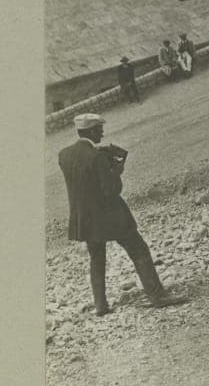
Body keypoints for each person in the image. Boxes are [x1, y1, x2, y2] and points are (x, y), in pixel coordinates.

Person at [58, 113, 188, 316]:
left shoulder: (64, 155)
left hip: (86, 219)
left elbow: (84, 178)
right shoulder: (98, 157)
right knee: (139, 251)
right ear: (91, 131)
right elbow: (111, 189)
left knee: (97, 259)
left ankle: (101, 305)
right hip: (110, 217)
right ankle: (157, 296)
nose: (102, 132)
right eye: (99, 129)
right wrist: (115, 170)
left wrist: (101, 161)